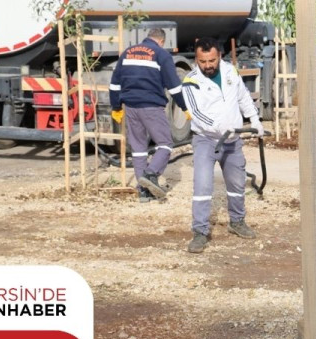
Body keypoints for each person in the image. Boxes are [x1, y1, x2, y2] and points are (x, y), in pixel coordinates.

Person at [182, 37, 265, 254]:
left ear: (219, 55)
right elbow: (195, 114)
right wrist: (219, 126)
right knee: (202, 185)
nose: (208, 66)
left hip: (232, 140)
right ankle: (200, 232)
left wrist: (255, 120)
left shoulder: (230, 72)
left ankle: (237, 222)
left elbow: (243, 97)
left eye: (211, 60)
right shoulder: (190, 82)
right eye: (202, 61)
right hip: (206, 140)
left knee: (237, 184)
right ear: (196, 60)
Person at [109, 28, 187, 203]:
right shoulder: (161, 54)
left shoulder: (127, 53)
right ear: (161, 41)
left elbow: (114, 84)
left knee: (138, 148)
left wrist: (116, 107)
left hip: (130, 107)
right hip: (151, 106)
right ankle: (150, 174)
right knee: (166, 144)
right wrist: (184, 107)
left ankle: (143, 193)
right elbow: (174, 87)